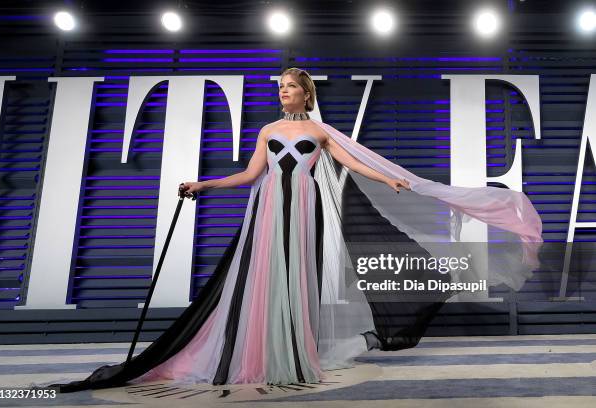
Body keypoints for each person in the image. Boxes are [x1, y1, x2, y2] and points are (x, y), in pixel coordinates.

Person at [45, 67, 543, 392]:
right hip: (267, 208)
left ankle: (294, 358)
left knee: (295, 280)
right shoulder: (267, 131)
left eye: (289, 86)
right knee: (263, 280)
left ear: (306, 92)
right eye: (279, 87)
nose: (283, 92)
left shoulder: (320, 133)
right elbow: (249, 175)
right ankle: (260, 355)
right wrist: (204, 183)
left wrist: (392, 177)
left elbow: (353, 164)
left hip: (303, 207)